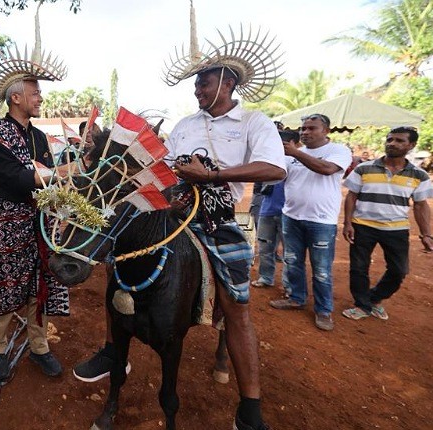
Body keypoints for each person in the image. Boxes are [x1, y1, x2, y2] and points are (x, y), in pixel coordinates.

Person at [161, 9, 286, 429]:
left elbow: (274, 168)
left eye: (204, 82)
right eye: (196, 83)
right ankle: (112, 349)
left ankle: (249, 408)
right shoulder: (184, 124)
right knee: (120, 259)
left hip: (217, 219)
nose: (197, 89)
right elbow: (163, 167)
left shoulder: (253, 121)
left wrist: (213, 176)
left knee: (237, 306)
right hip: (174, 213)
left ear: (228, 82)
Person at [0, 28, 73, 380]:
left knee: (40, 283)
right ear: (15, 97)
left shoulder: (40, 136)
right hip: (11, 220)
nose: (40, 98)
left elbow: (45, 177)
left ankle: (39, 347)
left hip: (42, 220)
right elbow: (17, 179)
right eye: (35, 93)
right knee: (8, 285)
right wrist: (63, 171)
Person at [269, 114, 352, 332]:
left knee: (321, 269)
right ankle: (296, 298)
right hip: (291, 217)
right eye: (303, 128)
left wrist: (295, 152)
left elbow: (327, 169)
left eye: (311, 128)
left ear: (326, 131)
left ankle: (324, 310)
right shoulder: (292, 155)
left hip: (321, 221)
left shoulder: (338, 150)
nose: (305, 132)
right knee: (293, 262)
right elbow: (277, 176)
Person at [341, 127, 433, 320]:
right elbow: (351, 196)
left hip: (396, 229)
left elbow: (420, 205)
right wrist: (347, 223)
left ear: (411, 145)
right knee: (359, 268)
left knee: (399, 270)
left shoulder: (419, 175)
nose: (392, 143)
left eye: (399, 140)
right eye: (390, 139)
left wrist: (426, 234)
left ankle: (374, 298)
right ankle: (362, 305)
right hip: (363, 226)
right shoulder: (364, 168)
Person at [251, 130, 300, 289]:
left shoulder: (299, 162)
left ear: (294, 143)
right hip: (268, 209)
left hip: (290, 212)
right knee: (265, 247)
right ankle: (267, 278)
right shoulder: (269, 160)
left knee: (288, 252)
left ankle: (288, 285)